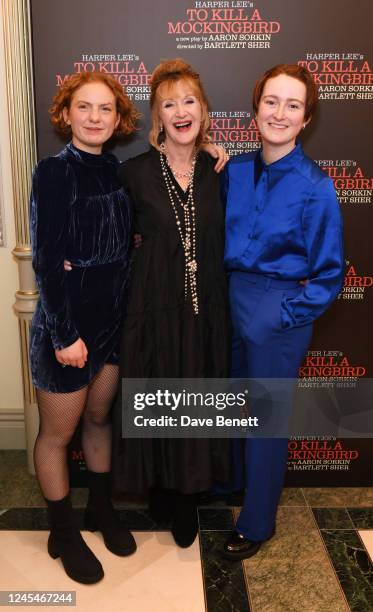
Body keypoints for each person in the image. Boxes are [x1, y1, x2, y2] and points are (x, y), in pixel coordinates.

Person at [222, 64, 344, 560]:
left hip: (277, 306)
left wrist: (283, 314)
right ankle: (231, 485)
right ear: (255, 110)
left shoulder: (316, 186)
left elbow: (330, 274)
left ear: (306, 117)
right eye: (271, 101)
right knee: (228, 404)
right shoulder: (230, 172)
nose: (279, 113)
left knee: (265, 420)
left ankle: (256, 524)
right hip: (227, 297)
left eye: (292, 105)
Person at [111, 59, 232, 548]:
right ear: (157, 117)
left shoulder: (222, 170)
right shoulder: (132, 173)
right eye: (169, 104)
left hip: (206, 312)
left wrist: (213, 149)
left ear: (203, 111)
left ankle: (189, 497)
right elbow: (113, 241)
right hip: (152, 308)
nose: (181, 111)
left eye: (189, 101)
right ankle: (159, 487)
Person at [29, 72, 140, 584]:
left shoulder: (117, 171)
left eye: (105, 109)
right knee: (58, 434)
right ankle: (64, 529)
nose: (95, 117)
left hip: (110, 328)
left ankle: (100, 509)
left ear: (118, 119)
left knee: (99, 420)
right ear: (66, 113)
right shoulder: (54, 172)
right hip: (67, 331)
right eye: (84, 107)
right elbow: (49, 265)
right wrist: (63, 335)